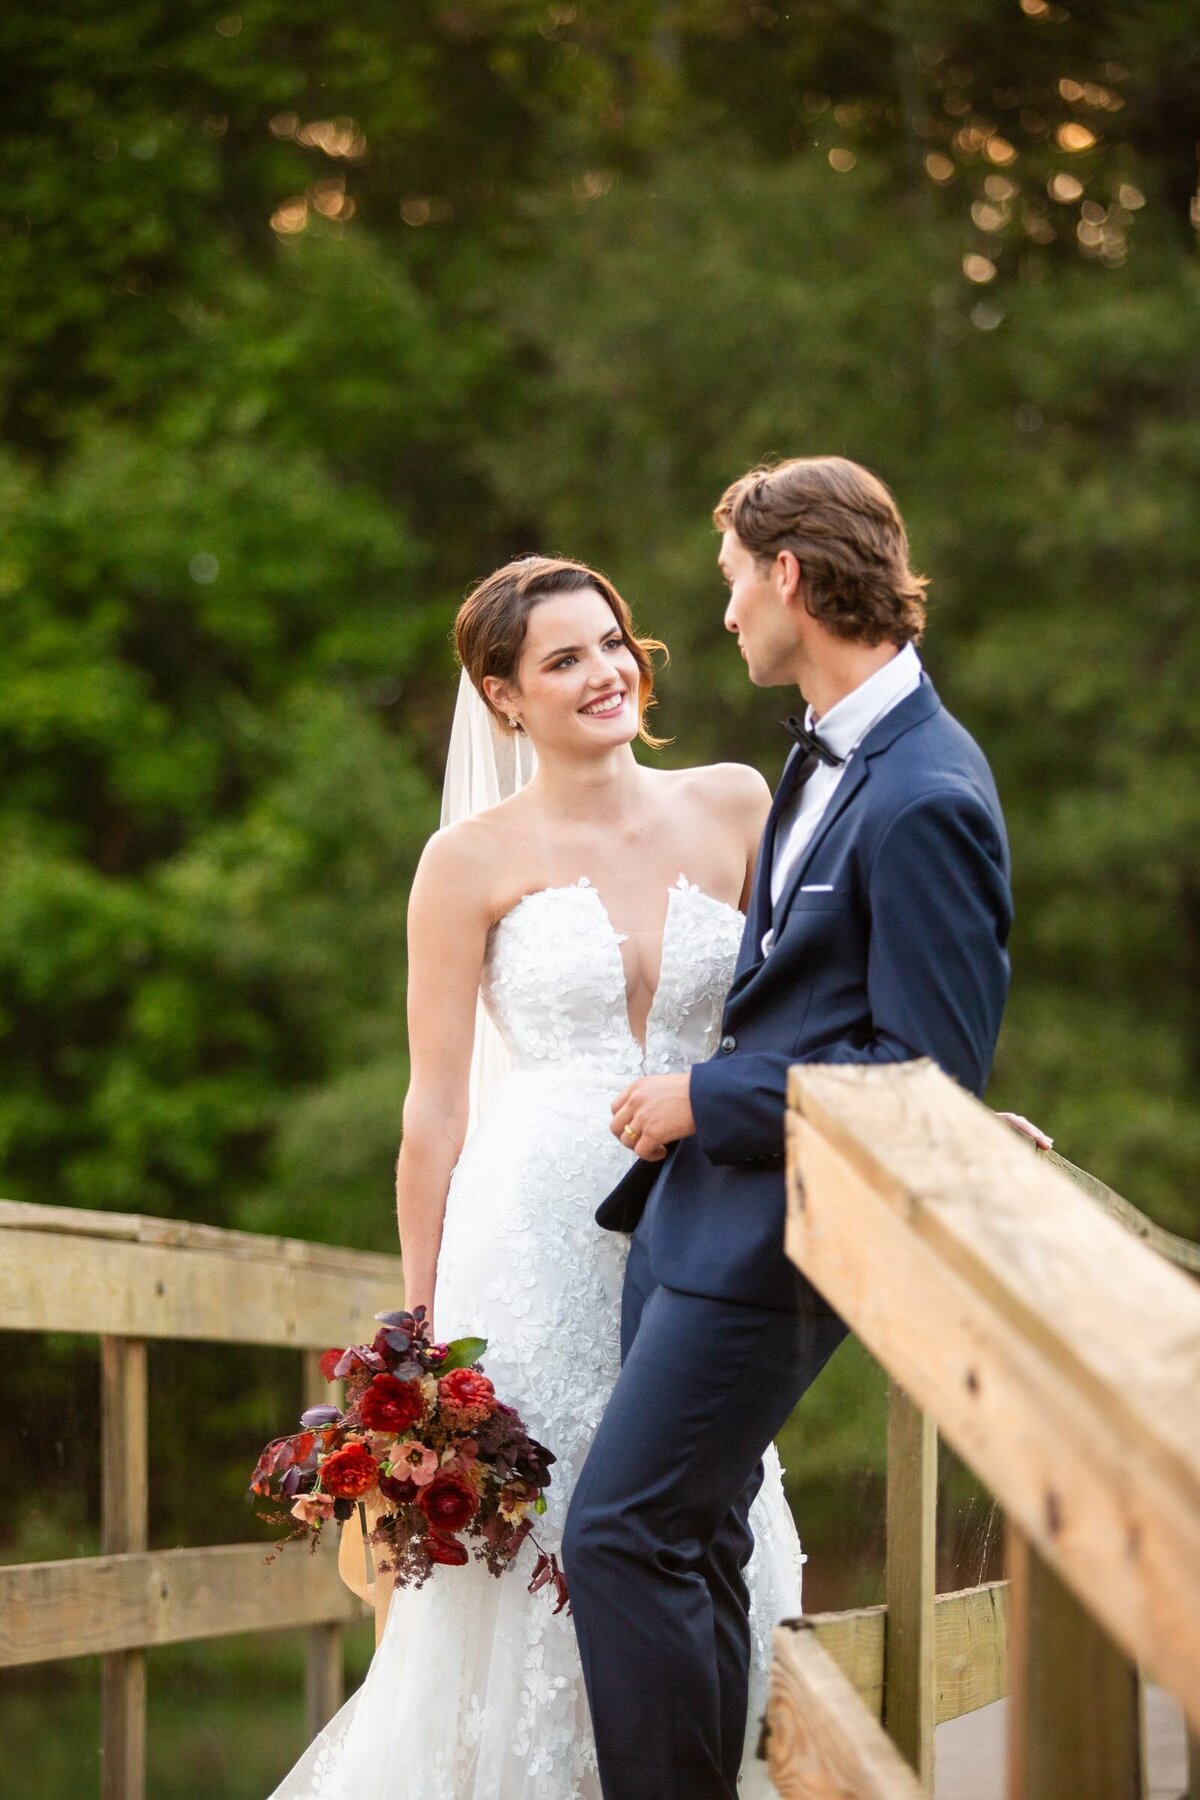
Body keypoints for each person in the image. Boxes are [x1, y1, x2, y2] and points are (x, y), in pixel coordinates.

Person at [267, 554, 806, 1800]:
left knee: (698, 1515)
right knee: (550, 1530)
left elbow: (822, 1001)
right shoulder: (465, 861)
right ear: (504, 697)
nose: (606, 671)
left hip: (707, 1212)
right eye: (564, 658)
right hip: (531, 1240)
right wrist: (419, 1346)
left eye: (613, 642)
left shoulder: (733, 804)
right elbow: (435, 1108)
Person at [564, 455, 1015, 1800]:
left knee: (620, 1538)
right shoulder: (832, 751)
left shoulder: (929, 790)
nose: (719, 620)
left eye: (727, 585)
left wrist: (707, 1096)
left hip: (773, 1244)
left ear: (788, 576)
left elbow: (920, 1074)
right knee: (687, 1540)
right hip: (695, 1224)